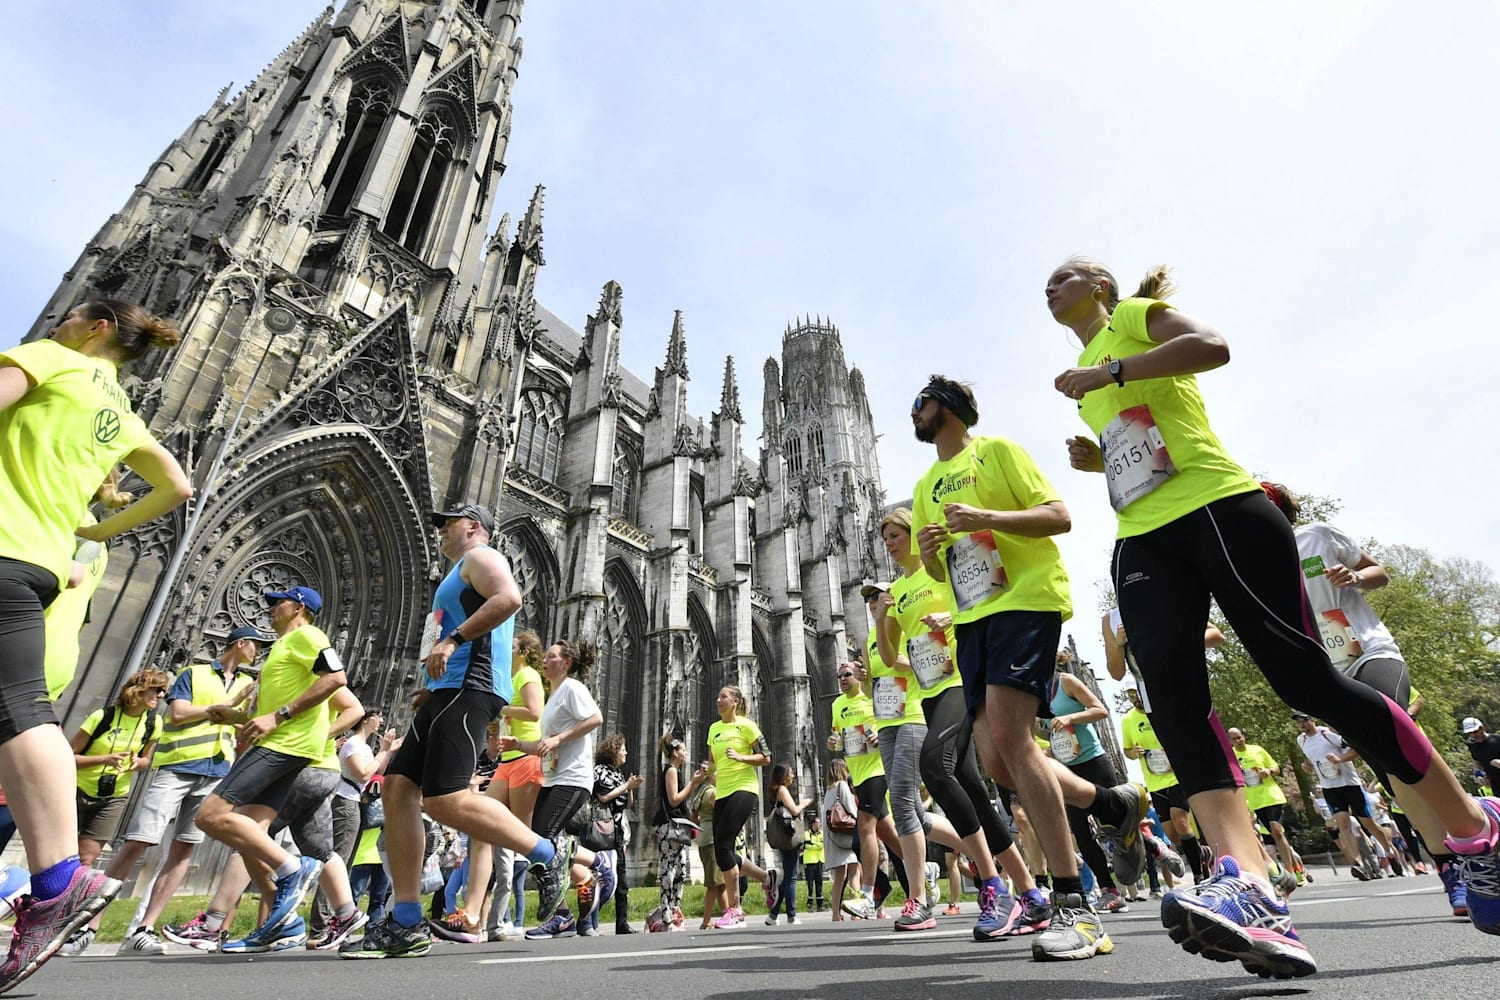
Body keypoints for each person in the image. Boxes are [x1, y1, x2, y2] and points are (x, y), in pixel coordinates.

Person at [1047, 257, 1500, 974]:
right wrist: (1098, 460)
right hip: (1142, 532)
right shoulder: (1085, 374)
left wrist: (1112, 376)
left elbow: (1213, 347)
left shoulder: (1131, 322)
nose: (1051, 289)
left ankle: (1478, 828)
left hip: (1221, 509)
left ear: (1100, 288)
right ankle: (1248, 884)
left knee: (1305, 682)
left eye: (1064, 277)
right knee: (1173, 699)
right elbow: (1156, 444)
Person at [0, 298, 194, 991]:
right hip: (42, 568)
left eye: (66, 319)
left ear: (96, 325)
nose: (54, 327)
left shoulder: (54, 359)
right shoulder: (122, 413)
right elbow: (177, 485)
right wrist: (96, 535)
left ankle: (57, 878)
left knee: (19, 713)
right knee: (25, 709)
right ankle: (58, 881)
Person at [910, 374, 1133, 962]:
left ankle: (1075, 905)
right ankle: (1111, 805)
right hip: (973, 618)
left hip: (1026, 600)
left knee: (1012, 740)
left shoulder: (999, 451)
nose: (915, 412)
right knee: (995, 763)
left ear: (951, 410)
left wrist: (984, 515)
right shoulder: (926, 483)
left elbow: (1058, 516)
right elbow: (939, 573)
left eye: (923, 403)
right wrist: (932, 553)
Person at [341, 505, 570, 958]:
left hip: (472, 686)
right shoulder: (457, 572)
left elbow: (509, 599)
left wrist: (452, 641)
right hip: (448, 690)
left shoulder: (482, 558)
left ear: (474, 527)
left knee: (443, 798)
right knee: (398, 789)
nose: (441, 530)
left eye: (448, 522)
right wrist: (431, 688)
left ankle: (547, 853)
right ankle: (406, 921)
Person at [870, 512, 1052, 939]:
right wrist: (881, 618)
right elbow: (893, 656)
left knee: (936, 766)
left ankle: (992, 885)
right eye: (886, 539)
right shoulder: (897, 590)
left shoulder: (943, 567)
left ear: (915, 534)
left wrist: (951, 622)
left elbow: (987, 597)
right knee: (971, 787)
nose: (890, 544)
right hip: (931, 692)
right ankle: (1028, 893)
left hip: (962, 679)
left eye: (895, 536)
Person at [68, 626, 268, 957]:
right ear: (240, 642)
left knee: (183, 850)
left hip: (216, 771)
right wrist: (219, 708)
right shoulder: (195, 673)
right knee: (137, 843)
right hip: (178, 767)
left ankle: (142, 929)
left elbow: (243, 724)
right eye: (256, 645)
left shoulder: (249, 684)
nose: (258, 652)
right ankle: (89, 925)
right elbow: (176, 714)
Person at [192, 586, 347, 948]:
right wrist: (236, 715)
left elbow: (336, 678)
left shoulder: (308, 635)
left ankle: (292, 870)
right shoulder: (280, 648)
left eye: (278, 602)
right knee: (247, 826)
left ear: (299, 608)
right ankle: (286, 921)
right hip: (279, 741)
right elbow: (270, 708)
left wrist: (280, 716)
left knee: (210, 815)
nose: (272, 608)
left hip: (287, 744)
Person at [173, 685, 369, 953]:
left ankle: (213, 924)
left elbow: (352, 708)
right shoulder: (291, 675)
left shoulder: (311, 671)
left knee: (249, 837)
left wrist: (319, 736)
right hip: (322, 769)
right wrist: (234, 717)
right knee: (320, 849)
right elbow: (274, 717)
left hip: (300, 765)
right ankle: (347, 914)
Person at [509, 639, 611, 940]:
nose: (546, 660)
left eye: (552, 656)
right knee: (536, 840)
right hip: (554, 777)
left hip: (574, 777)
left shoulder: (572, 688)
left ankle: (565, 910)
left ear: (565, 663)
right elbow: (545, 745)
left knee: (543, 836)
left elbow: (596, 718)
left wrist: (558, 739)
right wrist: (518, 745)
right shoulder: (553, 697)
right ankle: (587, 878)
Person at [451, 630, 546, 941]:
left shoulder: (528, 674)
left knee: (522, 836)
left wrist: (501, 707)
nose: (509, 648)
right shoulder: (510, 677)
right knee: (481, 829)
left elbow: (534, 712)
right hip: (507, 763)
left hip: (525, 760)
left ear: (524, 651)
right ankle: (472, 915)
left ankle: (557, 861)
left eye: (514, 645)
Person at [70, 671, 168, 867]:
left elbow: (146, 759)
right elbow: (67, 757)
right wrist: (104, 759)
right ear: (138, 691)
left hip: (113, 797)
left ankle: (71, 897)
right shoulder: (102, 717)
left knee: (86, 860)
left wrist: (138, 763)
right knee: (61, 856)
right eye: (157, 690)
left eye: (163, 691)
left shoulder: (153, 722)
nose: (161, 696)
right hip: (76, 791)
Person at [826, 663, 895, 921]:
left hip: (878, 768)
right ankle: (922, 872)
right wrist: (832, 742)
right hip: (858, 774)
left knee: (865, 827)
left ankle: (868, 895)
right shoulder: (836, 705)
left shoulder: (873, 693)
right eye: (839, 675)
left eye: (847, 674)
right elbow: (835, 738)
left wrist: (881, 732)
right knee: (888, 833)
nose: (842, 678)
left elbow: (893, 719)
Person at [706, 685, 776, 929]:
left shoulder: (747, 725)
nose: (718, 700)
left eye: (723, 696)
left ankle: (735, 910)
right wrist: (707, 777)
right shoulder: (714, 729)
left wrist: (741, 757)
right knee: (721, 851)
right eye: (718, 696)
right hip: (723, 792)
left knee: (724, 845)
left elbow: (766, 757)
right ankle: (767, 877)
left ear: (735, 701)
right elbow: (714, 763)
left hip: (745, 789)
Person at [584, 733, 641, 935]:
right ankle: (589, 921)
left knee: (622, 883)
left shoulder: (617, 773)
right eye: (623, 749)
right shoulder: (600, 772)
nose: (626, 752)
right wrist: (626, 786)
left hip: (617, 833)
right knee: (599, 878)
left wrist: (630, 788)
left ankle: (622, 923)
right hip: (602, 832)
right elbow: (604, 796)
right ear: (613, 751)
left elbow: (626, 804)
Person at [1227, 728, 1299, 885]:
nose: (1238, 741)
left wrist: (1268, 771)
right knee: (1275, 836)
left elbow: (1276, 767)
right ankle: (1298, 868)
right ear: (1230, 741)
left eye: (1239, 737)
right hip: (1254, 801)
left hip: (1271, 796)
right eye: (1234, 739)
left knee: (1276, 831)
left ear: (1244, 737)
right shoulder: (1231, 757)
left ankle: (1289, 871)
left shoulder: (1257, 750)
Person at [650, 735, 707, 932]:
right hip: (669, 826)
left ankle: (674, 910)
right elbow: (674, 800)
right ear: (675, 752)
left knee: (680, 870)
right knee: (669, 871)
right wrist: (693, 783)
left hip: (678, 826)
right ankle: (666, 915)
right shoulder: (671, 771)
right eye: (682, 749)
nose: (685, 752)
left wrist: (695, 782)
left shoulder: (675, 771)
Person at [765, 764, 812, 926]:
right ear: (783, 776)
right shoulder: (782, 790)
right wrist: (804, 803)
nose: (793, 775)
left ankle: (773, 915)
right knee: (791, 877)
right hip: (788, 837)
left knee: (787, 877)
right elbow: (794, 810)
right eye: (790, 773)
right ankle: (791, 915)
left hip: (782, 837)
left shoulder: (775, 790)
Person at [821, 760, 860, 921]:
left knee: (839, 876)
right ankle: (856, 911)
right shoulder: (842, 786)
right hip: (846, 837)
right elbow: (852, 810)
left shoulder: (829, 790)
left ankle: (835, 913)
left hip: (834, 838)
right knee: (855, 872)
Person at [693, 781, 724, 929]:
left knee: (721, 883)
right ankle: (706, 921)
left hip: (704, 836)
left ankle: (726, 916)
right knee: (713, 883)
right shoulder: (713, 793)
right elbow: (721, 814)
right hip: (713, 838)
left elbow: (694, 816)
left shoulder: (702, 791)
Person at [802, 817, 825, 912]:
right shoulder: (807, 833)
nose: (819, 824)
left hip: (819, 860)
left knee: (819, 883)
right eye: (818, 822)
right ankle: (810, 905)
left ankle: (820, 905)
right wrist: (817, 844)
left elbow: (823, 844)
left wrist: (814, 843)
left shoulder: (822, 833)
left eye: (820, 823)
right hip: (810, 861)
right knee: (810, 884)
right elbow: (807, 845)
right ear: (813, 823)